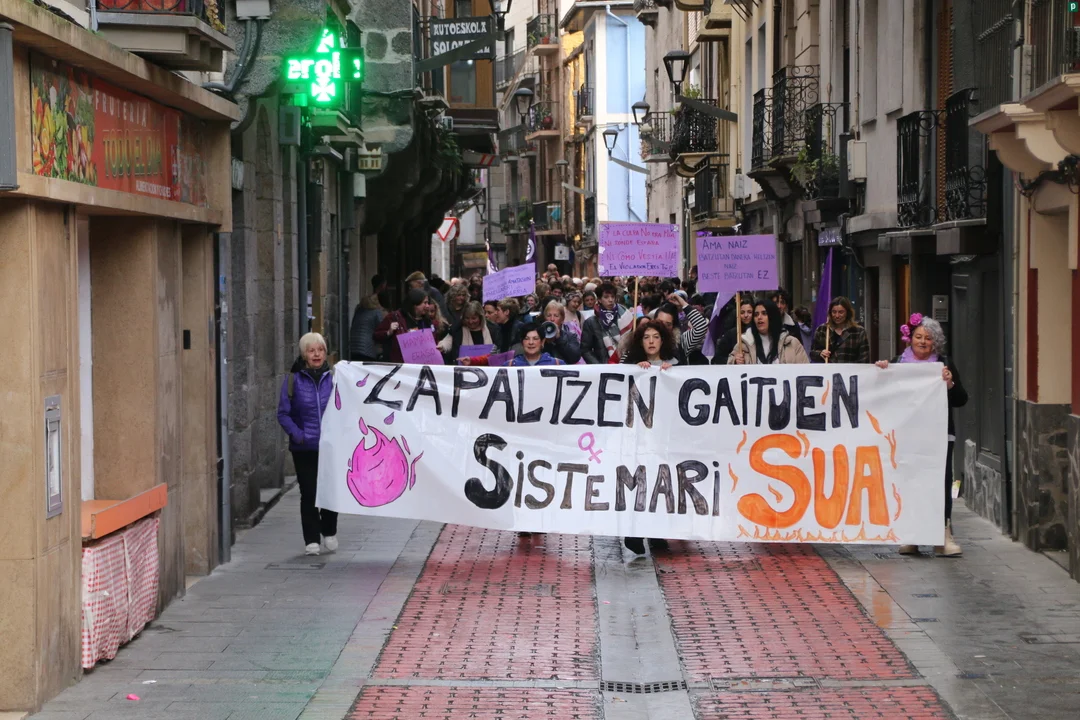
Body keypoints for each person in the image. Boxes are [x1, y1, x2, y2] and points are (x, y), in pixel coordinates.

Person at [876, 314, 967, 557]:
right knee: (909, 483)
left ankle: (943, 535)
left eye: (928, 338)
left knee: (940, 483)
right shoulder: (897, 363)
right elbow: (882, 394)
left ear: (935, 342)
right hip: (907, 436)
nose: (923, 342)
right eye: (918, 337)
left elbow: (961, 399)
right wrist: (882, 372)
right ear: (910, 338)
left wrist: (950, 383)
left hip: (939, 436)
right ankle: (912, 536)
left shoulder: (944, 364)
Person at [277, 333, 337, 556]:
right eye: (311, 351)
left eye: (320, 350)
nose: (317, 354)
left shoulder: (334, 379)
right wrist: (298, 435)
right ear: (304, 354)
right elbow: (283, 414)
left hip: (330, 446)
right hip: (304, 447)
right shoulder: (293, 380)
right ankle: (311, 539)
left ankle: (329, 531)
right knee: (309, 492)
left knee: (330, 491)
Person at [728, 298, 809, 364]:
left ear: (772, 316)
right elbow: (729, 369)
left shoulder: (792, 343)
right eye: (756, 314)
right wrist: (735, 361)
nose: (759, 317)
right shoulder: (743, 345)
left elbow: (805, 371)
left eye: (764, 313)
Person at [374, 289, 435, 364]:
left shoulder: (427, 321)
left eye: (428, 303)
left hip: (420, 365)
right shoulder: (395, 317)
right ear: (415, 304)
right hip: (398, 365)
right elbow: (376, 336)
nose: (428, 306)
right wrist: (388, 332)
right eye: (425, 303)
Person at [581, 282, 632, 364]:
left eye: (613, 296)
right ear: (599, 300)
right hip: (604, 365)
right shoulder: (591, 322)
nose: (610, 300)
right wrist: (598, 366)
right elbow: (586, 350)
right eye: (606, 297)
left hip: (626, 363)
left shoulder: (625, 316)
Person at [811, 297, 870, 364]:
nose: (837, 316)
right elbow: (812, 353)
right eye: (834, 312)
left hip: (850, 370)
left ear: (848, 313)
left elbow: (864, 359)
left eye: (841, 312)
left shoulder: (859, 332)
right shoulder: (822, 330)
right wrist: (820, 354)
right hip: (828, 370)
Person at [652, 294, 708, 364]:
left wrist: (683, 303)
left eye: (668, 324)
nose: (662, 327)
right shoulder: (646, 340)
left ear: (673, 326)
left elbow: (701, 326)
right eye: (659, 322)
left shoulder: (681, 342)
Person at [348, 276, 386, 362]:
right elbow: (381, 330)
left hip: (353, 347)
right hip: (367, 349)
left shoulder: (358, 310)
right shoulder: (376, 312)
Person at [538, 299, 582, 363]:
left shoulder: (571, 337)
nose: (552, 319)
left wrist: (559, 339)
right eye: (549, 315)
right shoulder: (538, 336)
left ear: (562, 319)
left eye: (556, 316)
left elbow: (575, 357)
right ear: (545, 318)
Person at [713, 297, 754, 363]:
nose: (746, 315)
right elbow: (718, 357)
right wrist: (734, 360)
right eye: (742, 312)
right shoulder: (731, 334)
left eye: (749, 312)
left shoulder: (759, 332)